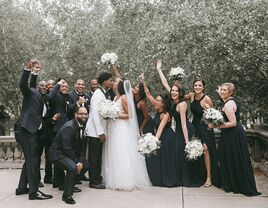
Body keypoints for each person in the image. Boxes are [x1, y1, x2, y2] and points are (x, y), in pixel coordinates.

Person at [209, 83, 261, 196]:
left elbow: (233, 123)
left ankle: (233, 184)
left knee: (227, 156)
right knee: (232, 156)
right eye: (221, 89)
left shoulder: (228, 105)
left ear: (230, 92)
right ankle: (233, 183)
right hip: (233, 133)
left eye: (224, 90)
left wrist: (215, 126)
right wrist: (221, 92)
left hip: (232, 133)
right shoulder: (231, 101)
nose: (221, 91)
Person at [102, 80, 151, 190]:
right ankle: (114, 179)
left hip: (121, 128)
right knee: (114, 152)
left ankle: (125, 181)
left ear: (119, 86)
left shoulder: (124, 97)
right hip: (113, 128)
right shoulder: (115, 98)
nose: (113, 83)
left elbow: (130, 115)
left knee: (122, 152)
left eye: (115, 82)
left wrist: (115, 115)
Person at [14, 59, 52, 200]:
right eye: (40, 85)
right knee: (33, 161)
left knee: (30, 160)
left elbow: (32, 83)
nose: (43, 87)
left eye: (45, 85)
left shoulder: (40, 97)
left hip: (32, 132)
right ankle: (33, 192)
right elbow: (24, 84)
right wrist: (28, 70)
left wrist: (36, 72)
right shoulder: (30, 93)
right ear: (37, 87)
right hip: (25, 130)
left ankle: (22, 188)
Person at [141, 75, 179, 187]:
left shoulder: (166, 114)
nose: (156, 102)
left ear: (164, 103)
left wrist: (153, 143)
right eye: (156, 100)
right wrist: (143, 82)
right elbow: (148, 94)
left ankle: (166, 179)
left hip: (167, 137)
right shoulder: (157, 106)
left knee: (164, 159)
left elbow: (160, 129)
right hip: (160, 136)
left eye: (158, 101)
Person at [49, 107, 89, 204]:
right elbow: (67, 148)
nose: (83, 116)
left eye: (85, 114)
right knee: (73, 168)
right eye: (81, 113)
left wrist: (81, 161)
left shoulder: (82, 126)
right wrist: (77, 162)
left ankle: (67, 185)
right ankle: (67, 195)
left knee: (86, 165)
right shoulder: (69, 127)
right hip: (57, 154)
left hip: (67, 154)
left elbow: (82, 148)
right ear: (76, 114)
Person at [189, 79, 221, 187]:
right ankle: (199, 174)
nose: (197, 87)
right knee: (196, 150)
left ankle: (209, 177)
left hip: (204, 127)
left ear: (203, 87)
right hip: (194, 127)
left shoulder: (206, 98)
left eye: (199, 85)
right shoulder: (192, 96)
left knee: (206, 150)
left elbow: (213, 116)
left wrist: (210, 124)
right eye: (195, 85)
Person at [85, 72, 114, 189]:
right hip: (95, 132)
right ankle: (94, 181)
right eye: (110, 80)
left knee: (97, 156)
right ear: (104, 81)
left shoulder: (104, 93)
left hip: (99, 130)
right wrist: (100, 132)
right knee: (94, 157)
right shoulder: (98, 94)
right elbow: (95, 115)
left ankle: (97, 178)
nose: (111, 82)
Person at [48, 78, 70, 189]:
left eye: (66, 86)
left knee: (62, 155)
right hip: (56, 129)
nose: (65, 87)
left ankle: (58, 181)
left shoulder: (67, 97)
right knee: (58, 156)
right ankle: (59, 182)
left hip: (65, 130)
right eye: (63, 86)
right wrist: (58, 84)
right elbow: (50, 96)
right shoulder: (55, 96)